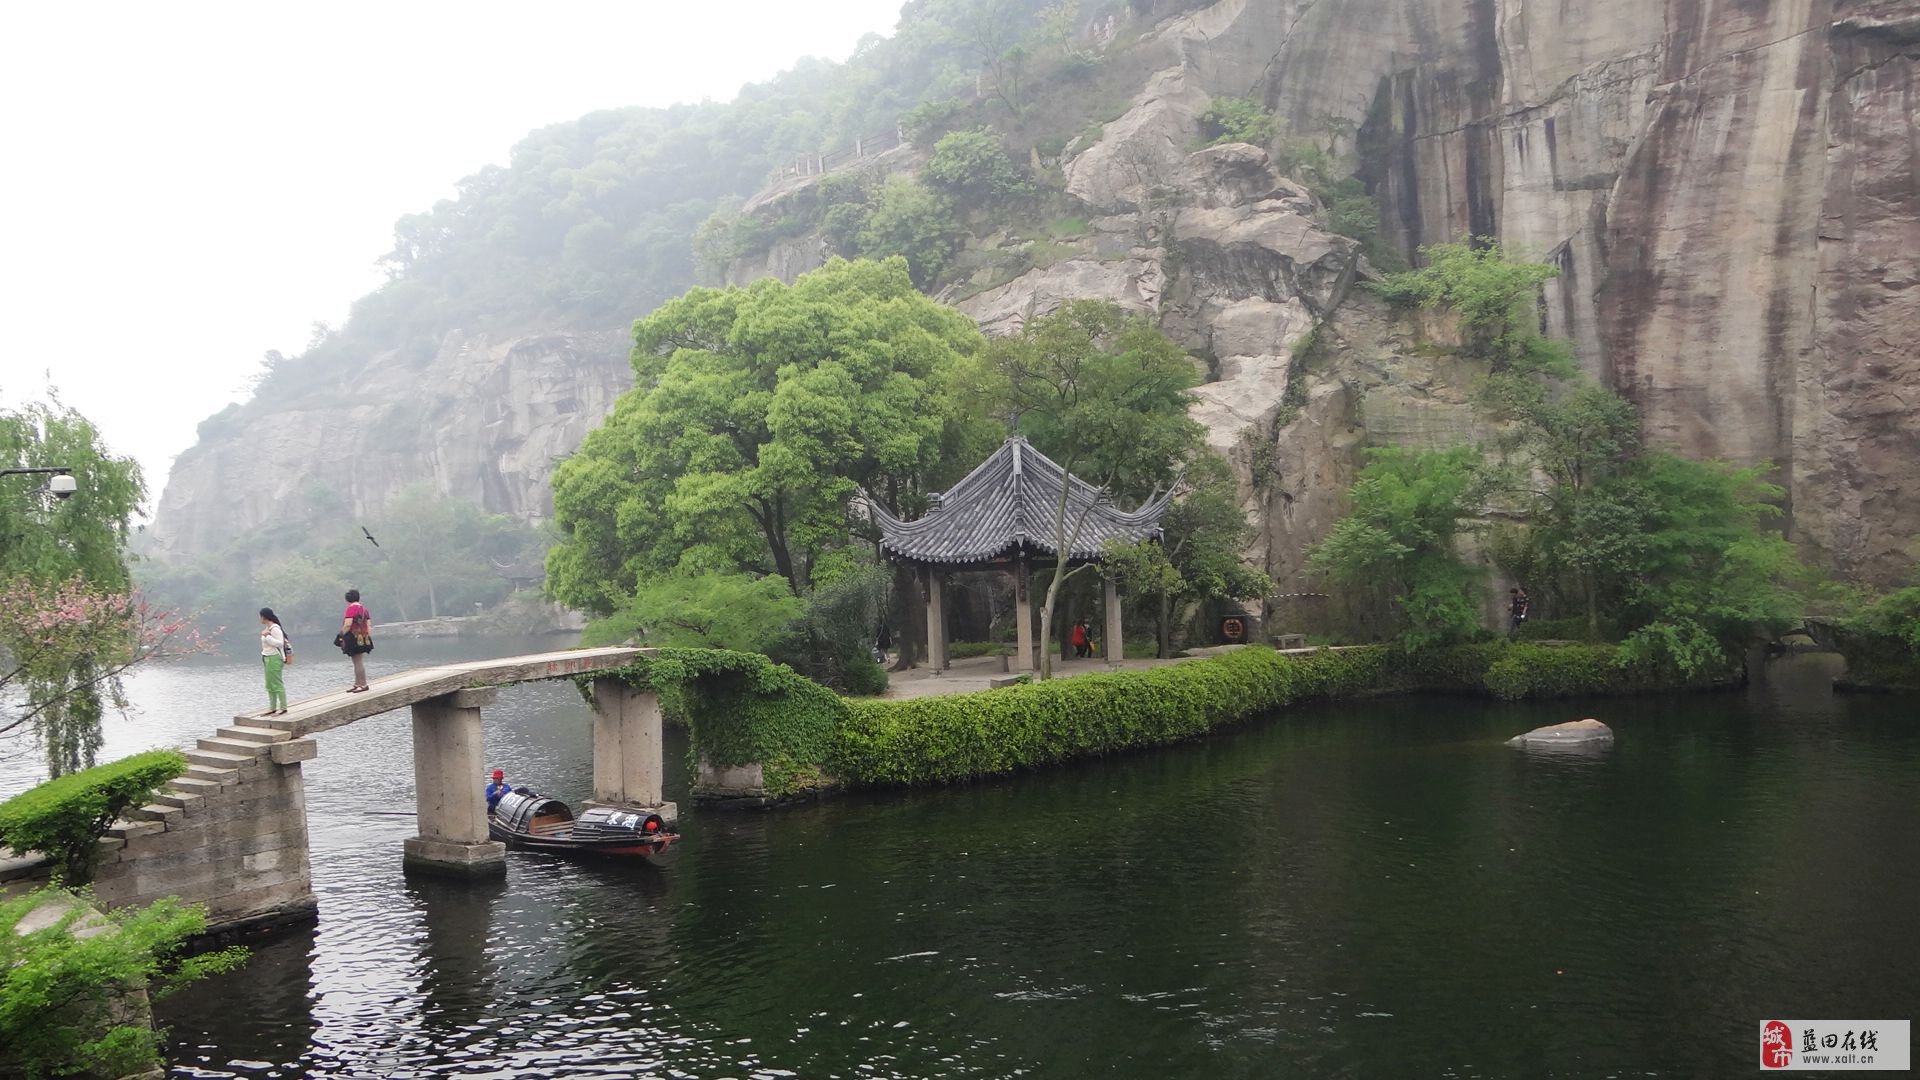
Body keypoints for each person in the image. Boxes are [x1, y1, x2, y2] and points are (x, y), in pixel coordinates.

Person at [336, 588, 374, 693]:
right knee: (358, 661)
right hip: (364, 637)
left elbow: (348, 624)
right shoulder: (364, 609)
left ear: (347, 599)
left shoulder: (351, 609)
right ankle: (358, 684)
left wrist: (340, 635)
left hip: (353, 637)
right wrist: (368, 638)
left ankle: (362, 684)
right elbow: (368, 625)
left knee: (357, 662)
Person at [259, 607, 290, 715]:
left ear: (264, 617)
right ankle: (272, 707)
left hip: (275, 657)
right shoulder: (268, 628)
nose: (260, 619)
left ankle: (283, 707)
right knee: (269, 684)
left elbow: (279, 643)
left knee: (276, 683)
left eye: (261, 617)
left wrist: (267, 636)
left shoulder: (275, 629)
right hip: (267, 657)